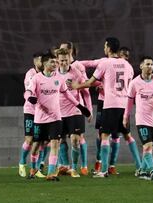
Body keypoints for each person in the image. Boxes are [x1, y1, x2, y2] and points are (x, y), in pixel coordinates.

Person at [71, 37, 141, 178]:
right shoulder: (127, 65)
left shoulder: (105, 63)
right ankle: (140, 167)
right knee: (127, 136)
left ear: (109, 48)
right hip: (124, 105)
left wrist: (77, 85)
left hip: (110, 105)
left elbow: (90, 82)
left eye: (105, 46)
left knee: (104, 135)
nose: (104, 48)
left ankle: (103, 170)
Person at [25, 51, 91, 181]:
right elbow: (28, 92)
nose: (55, 64)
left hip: (56, 118)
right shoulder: (36, 78)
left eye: (56, 62)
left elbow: (68, 95)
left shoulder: (59, 79)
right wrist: (30, 98)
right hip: (40, 119)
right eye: (52, 62)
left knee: (55, 144)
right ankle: (33, 169)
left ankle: (51, 174)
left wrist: (81, 107)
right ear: (44, 63)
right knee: (36, 146)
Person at [55, 48, 93, 177]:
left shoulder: (75, 72)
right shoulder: (53, 73)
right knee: (60, 141)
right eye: (61, 60)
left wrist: (89, 109)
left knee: (75, 140)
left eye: (66, 60)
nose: (64, 63)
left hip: (75, 110)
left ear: (69, 58)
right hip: (58, 112)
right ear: (57, 60)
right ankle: (65, 166)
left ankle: (74, 168)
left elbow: (86, 88)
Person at [18, 52, 46, 178]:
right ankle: (22, 163)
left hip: (42, 112)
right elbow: (30, 91)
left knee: (42, 141)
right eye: (40, 60)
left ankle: (37, 168)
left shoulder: (46, 74)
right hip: (30, 111)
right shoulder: (30, 74)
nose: (42, 63)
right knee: (29, 140)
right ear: (35, 62)